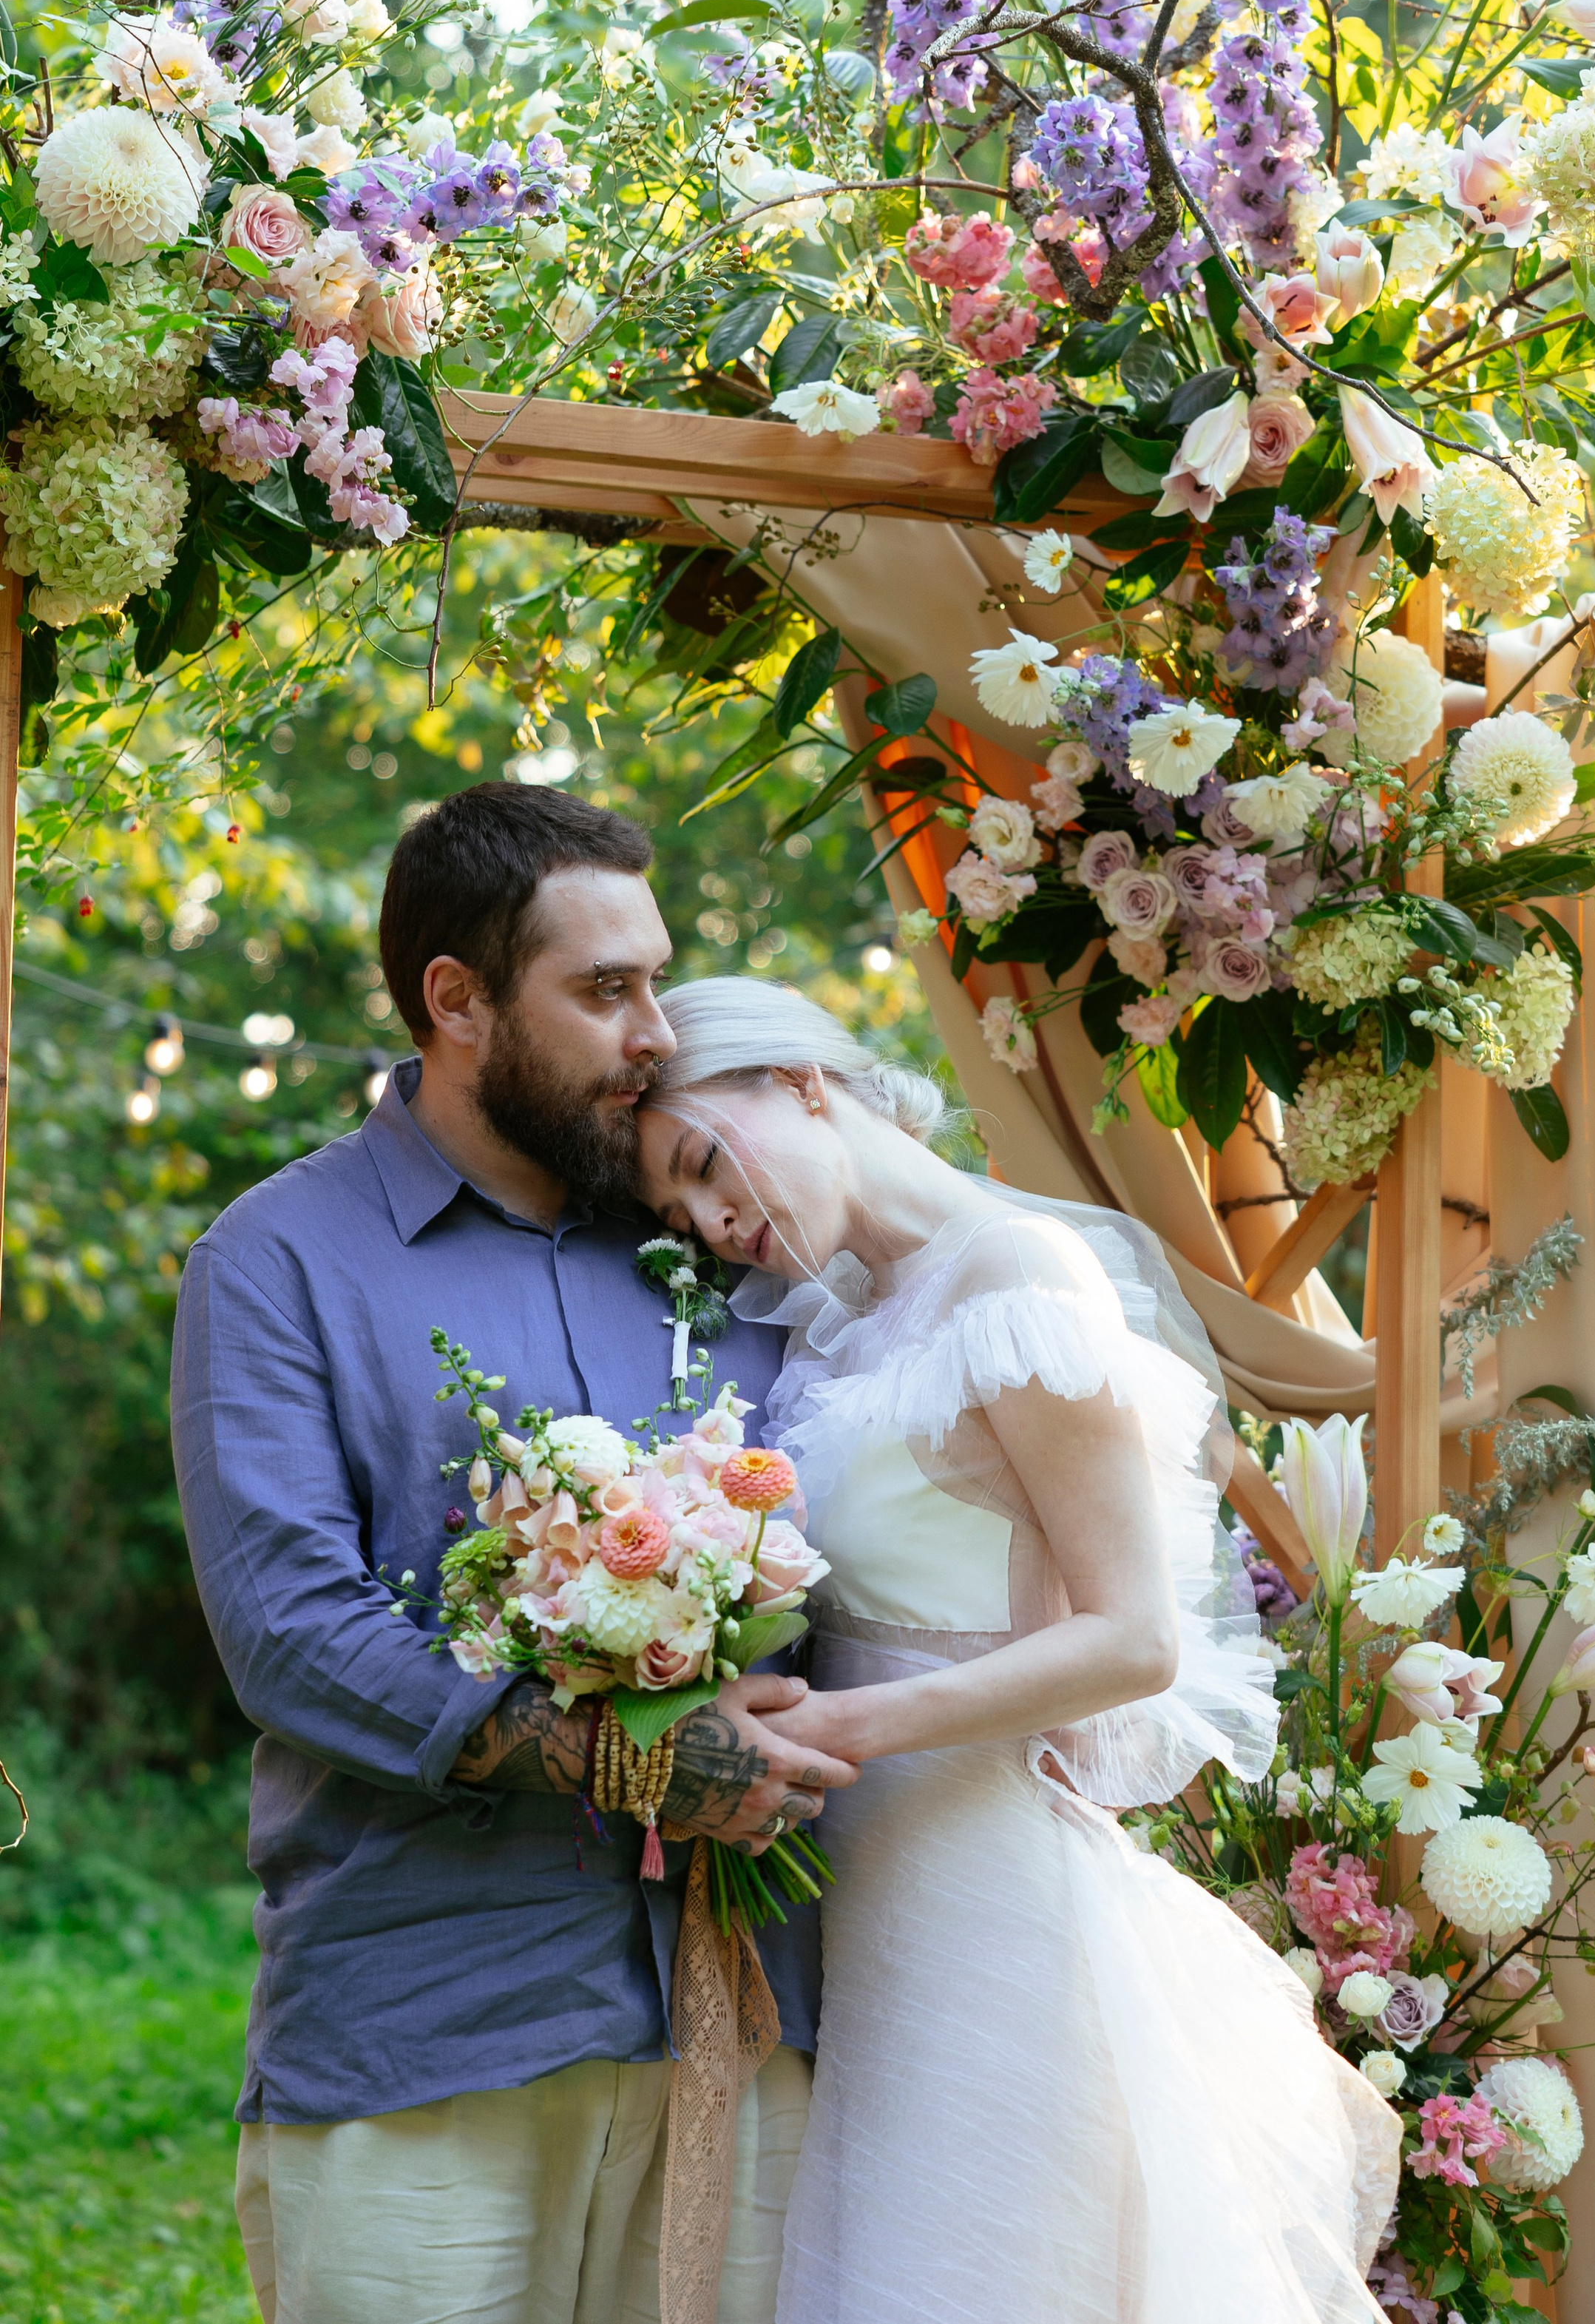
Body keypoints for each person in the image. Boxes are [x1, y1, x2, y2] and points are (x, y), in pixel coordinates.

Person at [171, 784, 854, 2324]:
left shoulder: (718, 1244)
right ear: (457, 1003)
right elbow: (286, 1629)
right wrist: (611, 1757)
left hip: (739, 2017)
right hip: (433, 2018)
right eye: (603, 990)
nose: (656, 1033)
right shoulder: (279, 1262)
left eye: (657, 979)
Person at [635, 976, 1403, 2324]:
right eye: (681, 1214)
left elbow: (1131, 1639)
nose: (713, 1222)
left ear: (801, 1079)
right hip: (859, 1901)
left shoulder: (1018, 1278)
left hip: (986, 1885)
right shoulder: (849, 1317)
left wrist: (848, 1729)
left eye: (705, 1164)